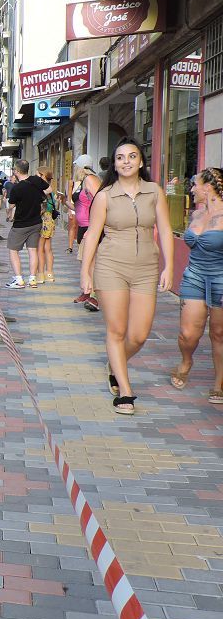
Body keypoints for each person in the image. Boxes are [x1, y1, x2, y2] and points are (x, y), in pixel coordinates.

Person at [81, 138, 173, 415]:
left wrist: (169, 266)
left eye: (132, 156)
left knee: (139, 334)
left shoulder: (154, 192)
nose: (126, 161)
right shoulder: (105, 195)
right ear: (115, 163)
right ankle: (125, 389)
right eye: (120, 157)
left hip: (146, 268)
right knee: (117, 330)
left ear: (141, 161)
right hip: (111, 267)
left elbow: (166, 230)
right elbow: (93, 234)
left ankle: (115, 363)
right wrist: (86, 271)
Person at [171, 167, 223, 401]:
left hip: (221, 278)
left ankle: (219, 382)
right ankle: (186, 360)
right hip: (194, 276)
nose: (191, 189)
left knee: (218, 333)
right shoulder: (196, 215)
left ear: (208, 187)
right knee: (187, 334)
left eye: (195, 184)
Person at [4, 159, 49, 289]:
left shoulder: (17, 188)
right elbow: (49, 189)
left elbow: (11, 205)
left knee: (13, 250)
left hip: (20, 224)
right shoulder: (36, 180)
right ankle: (33, 279)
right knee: (32, 250)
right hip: (36, 222)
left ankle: (19, 280)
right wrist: (38, 196)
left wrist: (8, 209)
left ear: (17, 171)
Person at [71, 156, 101, 308]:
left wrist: (93, 227)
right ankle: (87, 292)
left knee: (92, 262)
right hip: (83, 226)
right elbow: (81, 205)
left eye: (75, 166)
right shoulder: (82, 182)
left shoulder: (90, 179)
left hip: (91, 226)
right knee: (85, 260)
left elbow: (100, 201)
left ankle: (94, 295)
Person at [35, 168, 57, 284]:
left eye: (37, 174)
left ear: (42, 176)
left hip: (42, 220)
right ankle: (49, 273)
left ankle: (40, 274)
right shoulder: (50, 190)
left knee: (40, 249)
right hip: (50, 220)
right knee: (48, 249)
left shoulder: (43, 190)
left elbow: (40, 208)